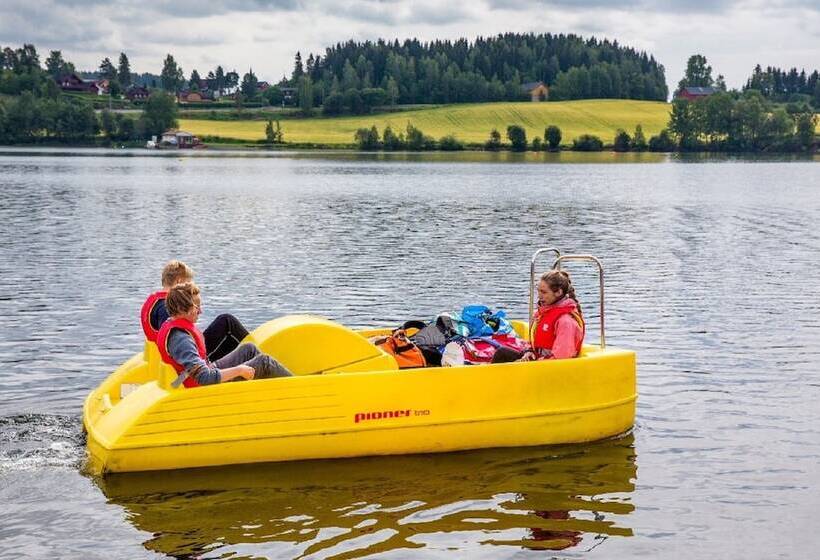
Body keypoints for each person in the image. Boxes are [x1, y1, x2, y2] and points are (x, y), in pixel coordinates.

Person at [156, 282, 293, 388]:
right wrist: (239, 370)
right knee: (264, 362)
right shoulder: (180, 339)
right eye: (196, 307)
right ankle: (298, 389)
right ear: (181, 308)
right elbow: (205, 378)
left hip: (200, 373)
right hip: (205, 389)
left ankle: (272, 389)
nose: (200, 311)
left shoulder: (171, 323)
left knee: (248, 349)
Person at [140, 260, 250, 361]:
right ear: (179, 282)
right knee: (227, 322)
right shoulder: (167, 307)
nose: (190, 288)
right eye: (188, 284)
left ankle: (247, 357)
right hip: (189, 357)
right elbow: (173, 339)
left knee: (228, 337)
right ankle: (257, 354)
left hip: (184, 350)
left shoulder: (157, 302)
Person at [492, 270, 585, 363]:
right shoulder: (541, 314)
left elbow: (562, 358)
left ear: (558, 292)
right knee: (502, 352)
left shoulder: (566, 321)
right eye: (538, 291)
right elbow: (534, 343)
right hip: (538, 361)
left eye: (544, 292)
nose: (539, 296)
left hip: (549, 367)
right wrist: (529, 352)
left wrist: (537, 361)